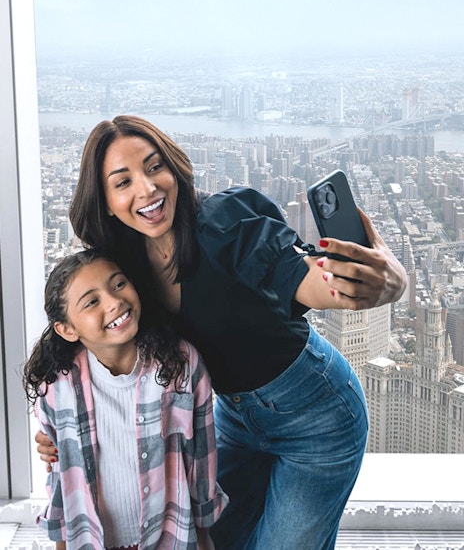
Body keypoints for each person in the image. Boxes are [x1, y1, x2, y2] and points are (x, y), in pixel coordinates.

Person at [36, 115, 407, 550]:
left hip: (317, 416)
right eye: (123, 182)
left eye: (155, 167)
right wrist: (57, 431)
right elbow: (84, 342)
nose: (147, 189)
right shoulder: (120, 269)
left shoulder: (224, 224)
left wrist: (384, 280)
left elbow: (304, 277)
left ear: (174, 167)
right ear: (104, 200)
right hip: (232, 420)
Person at [24, 249, 228, 550]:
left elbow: (201, 461)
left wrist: (203, 535)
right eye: (92, 302)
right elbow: (61, 478)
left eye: (118, 284)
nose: (114, 301)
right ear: (67, 329)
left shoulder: (182, 366)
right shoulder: (57, 388)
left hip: (171, 536)